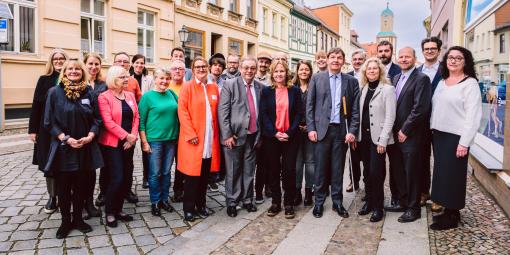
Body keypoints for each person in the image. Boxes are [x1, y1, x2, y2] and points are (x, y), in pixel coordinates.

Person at [43, 59, 103, 239]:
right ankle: (65, 222)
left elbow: (97, 120)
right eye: (70, 69)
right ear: (64, 72)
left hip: (85, 147)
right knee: (63, 188)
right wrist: (65, 138)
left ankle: (78, 219)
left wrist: (90, 136)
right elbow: (49, 122)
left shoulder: (89, 92)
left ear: (82, 72)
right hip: (63, 148)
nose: (74, 71)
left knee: (81, 186)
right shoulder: (54, 92)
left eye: (77, 69)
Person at [429, 46, 482, 230]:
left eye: (458, 58)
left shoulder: (470, 84)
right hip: (440, 134)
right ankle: (446, 209)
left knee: (454, 176)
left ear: (465, 61)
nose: (453, 61)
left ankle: (453, 215)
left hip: (456, 137)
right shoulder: (443, 82)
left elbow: (473, 116)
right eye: (450, 58)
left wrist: (464, 142)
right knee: (442, 174)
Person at [306, 47, 360, 219]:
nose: (336, 60)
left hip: (341, 131)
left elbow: (355, 110)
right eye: (333, 57)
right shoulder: (317, 78)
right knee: (321, 168)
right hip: (321, 130)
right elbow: (310, 105)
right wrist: (311, 128)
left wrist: (352, 131)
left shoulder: (351, 81)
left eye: (339, 57)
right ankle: (319, 202)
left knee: (338, 168)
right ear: (327, 60)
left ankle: (337, 201)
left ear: (343, 61)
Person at [385, 47, 431, 223]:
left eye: (407, 57)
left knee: (412, 172)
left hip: (411, 135)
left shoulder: (421, 79)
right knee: (398, 170)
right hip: (395, 133)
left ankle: (413, 208)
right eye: (401, 56)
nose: (404, 59)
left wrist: (405, 130)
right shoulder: (396, 78)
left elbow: (420, 108)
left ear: (414, 58)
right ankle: (402, 202)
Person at [177, 57, 220, 222]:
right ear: (193, 69)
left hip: (209, 139)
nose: (201, 69)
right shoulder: (187, 87)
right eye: (198, 67)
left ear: (208, 68)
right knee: (192, 176)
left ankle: (201, 205)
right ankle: (188, 208)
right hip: (193, 140)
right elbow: (183, 112)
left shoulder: (213, 87)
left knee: (204, 176)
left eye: (204, 66)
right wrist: (191, 134)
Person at [218, 56, 262, 217]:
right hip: (234, 136)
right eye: (246, 68)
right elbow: (223, 112)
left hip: (252, 136)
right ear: (241, 69)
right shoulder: (230, 85)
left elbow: (261, 113)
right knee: (233, 171)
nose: (249, 71)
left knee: (249, 171)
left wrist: (260, 134)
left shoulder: (259, 87)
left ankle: (248, 200)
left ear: (256, 70)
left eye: (252, 68)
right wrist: (227, 135)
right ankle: (232, 202)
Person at [98, 66, 139, 228]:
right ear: (114, 79)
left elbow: (136, 117)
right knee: (116, 177)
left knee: (126, 177)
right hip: (112, 144)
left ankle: (119, 209)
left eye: (127, 76)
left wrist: (133, 137)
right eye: (123, 77)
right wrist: (126, 136)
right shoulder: (104, 97)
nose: (126, 78)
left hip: (129, 143)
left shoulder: (129, 95)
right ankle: (109, 211)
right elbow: (108, 123)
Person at [355, 57, 396, 223]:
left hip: (378, 138)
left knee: (376, 173)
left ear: (380, 71)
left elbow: (390, 116)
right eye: (369, 68)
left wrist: (383, 139)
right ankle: (369, 202)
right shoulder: (363, 88)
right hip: (363, 137)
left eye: (375, 68)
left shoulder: (387, 89)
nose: (371, 71)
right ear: (365, 71)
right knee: (367, 172)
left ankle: (378, 207)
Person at [260, 59, 302, 219]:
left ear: (287, 73)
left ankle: (289, 203)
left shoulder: (295, 91)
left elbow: (298, 113)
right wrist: (274, 133)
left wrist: (289, 133)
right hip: (272, 137)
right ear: (272, 74)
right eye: (276, 71)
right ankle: (276, 202)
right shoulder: (266, 91)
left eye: (282, 71)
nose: (279, 74)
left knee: (289, 170)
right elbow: (263, 114)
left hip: (290, 137)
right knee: (273, 170)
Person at [29, 48, 68, 215]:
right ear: (51, 61)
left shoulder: (71, 77)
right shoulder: (44, 80)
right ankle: (53, 196)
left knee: (67, 163)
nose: (58, 61)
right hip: (46, 129)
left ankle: (67, 194)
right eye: (55, 59)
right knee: (49, 163)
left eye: (61, 58)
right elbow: (36, 106)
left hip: (67, 128)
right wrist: (32, 130)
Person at [139, 67, 179, 216]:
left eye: (167, 78)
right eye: (161, 78)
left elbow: (181, 110)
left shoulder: (171, 94)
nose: (164, 81)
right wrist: (144, 142)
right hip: (155, 141)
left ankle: (164, 200)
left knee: (167, 172)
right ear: (155, 79)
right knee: (155, 173)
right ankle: (155, 202)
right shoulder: (147, 97)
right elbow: (141, 121)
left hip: (171, 140)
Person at [417, 37, 443, 211]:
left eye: (433, 48)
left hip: (441, 121)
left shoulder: (446, 70)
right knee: (422, 159)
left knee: (441, 160)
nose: (430, 51)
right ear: (423, 51)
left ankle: (439, 196)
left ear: (439, 51)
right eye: (426, 48)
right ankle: (423, 191)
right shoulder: (417, 71)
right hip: (421, 123)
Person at [83, 52, 107, 219]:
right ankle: (81, 204)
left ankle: (91, 203)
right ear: (85, 64)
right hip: (81, 131)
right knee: (81, 170)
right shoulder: (78, 82)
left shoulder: (103, 85)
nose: (93, 67)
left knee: (93, 169)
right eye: (90, 64)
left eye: (96, 64)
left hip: (99, 131)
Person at [129, 54, 154, 189]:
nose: (139, 65)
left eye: (142, 63)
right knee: (131, 148)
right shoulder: (127, 78)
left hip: (147, 116)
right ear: (132, 64)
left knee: (146, 147)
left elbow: (151, 96)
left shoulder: (149, 79)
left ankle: (147, 177)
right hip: (132, 117)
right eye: (137, 63)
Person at [293, 60, 315, 206]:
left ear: (310, 71)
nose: (304, 72)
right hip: (295, 131)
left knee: (311, 163)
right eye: (301, 69)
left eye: (306, 69)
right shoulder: (292, 87)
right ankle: (296, 192)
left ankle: (308, 192)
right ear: (297, 71)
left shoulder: (314, 87)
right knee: (297, 163)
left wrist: (311, 126)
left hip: (310, 130)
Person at [346, 50, 366, 195]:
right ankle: (354, 180)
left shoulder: (369, 75)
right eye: (355, 59)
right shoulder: (347, 76)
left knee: (365, 155)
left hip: (366, 120)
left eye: (360, 59)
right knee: (352, 154)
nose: (357, 61)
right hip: (351, 118)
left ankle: (367, 181)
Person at [254, 52, 273, 204]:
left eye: (267, 62)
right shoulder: (251, 76)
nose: (263, 64)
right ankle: (256, 189)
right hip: (252, 125)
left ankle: (265, 188)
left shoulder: (271, 80)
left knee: (265, 162)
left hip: (266, 126)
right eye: (261, 61)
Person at [168, 60, 186, 203]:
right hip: (168, 132)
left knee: (182, 162)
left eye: (180, 69)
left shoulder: (188, 87)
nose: (177, 71)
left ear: (184, 72)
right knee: (166, 163)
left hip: (183, 132)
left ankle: (179, 190)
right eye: (175, 69)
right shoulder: (165, 86)